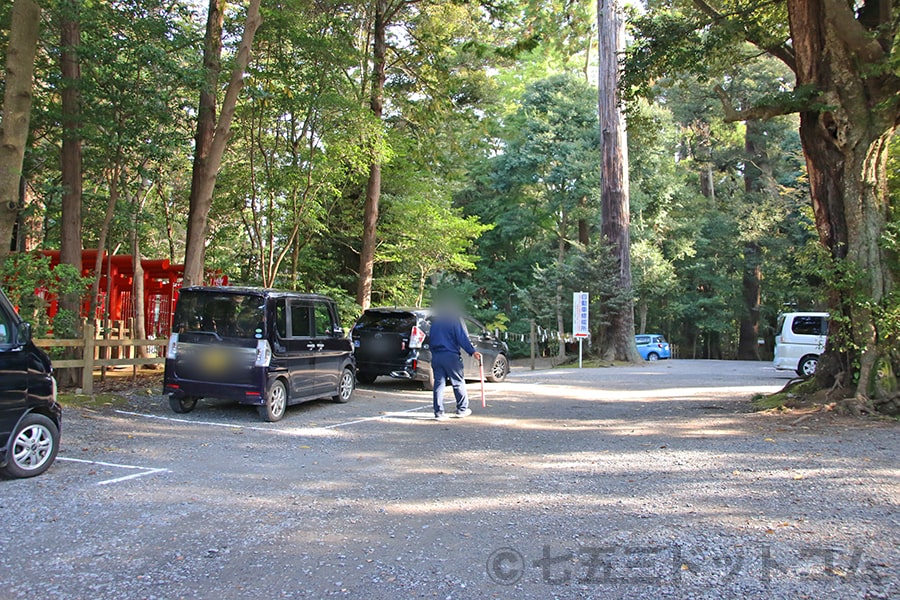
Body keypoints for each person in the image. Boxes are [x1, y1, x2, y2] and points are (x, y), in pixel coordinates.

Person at [428, 307, 482, 421]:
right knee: (458, 382)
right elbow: (462, 338)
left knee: (439, 384)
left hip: (437, 356)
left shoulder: (434, 324)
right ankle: (462, 409)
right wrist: (472, 351)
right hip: (451, 356)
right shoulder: (453, 322)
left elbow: (430, 340)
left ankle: (438, 412)